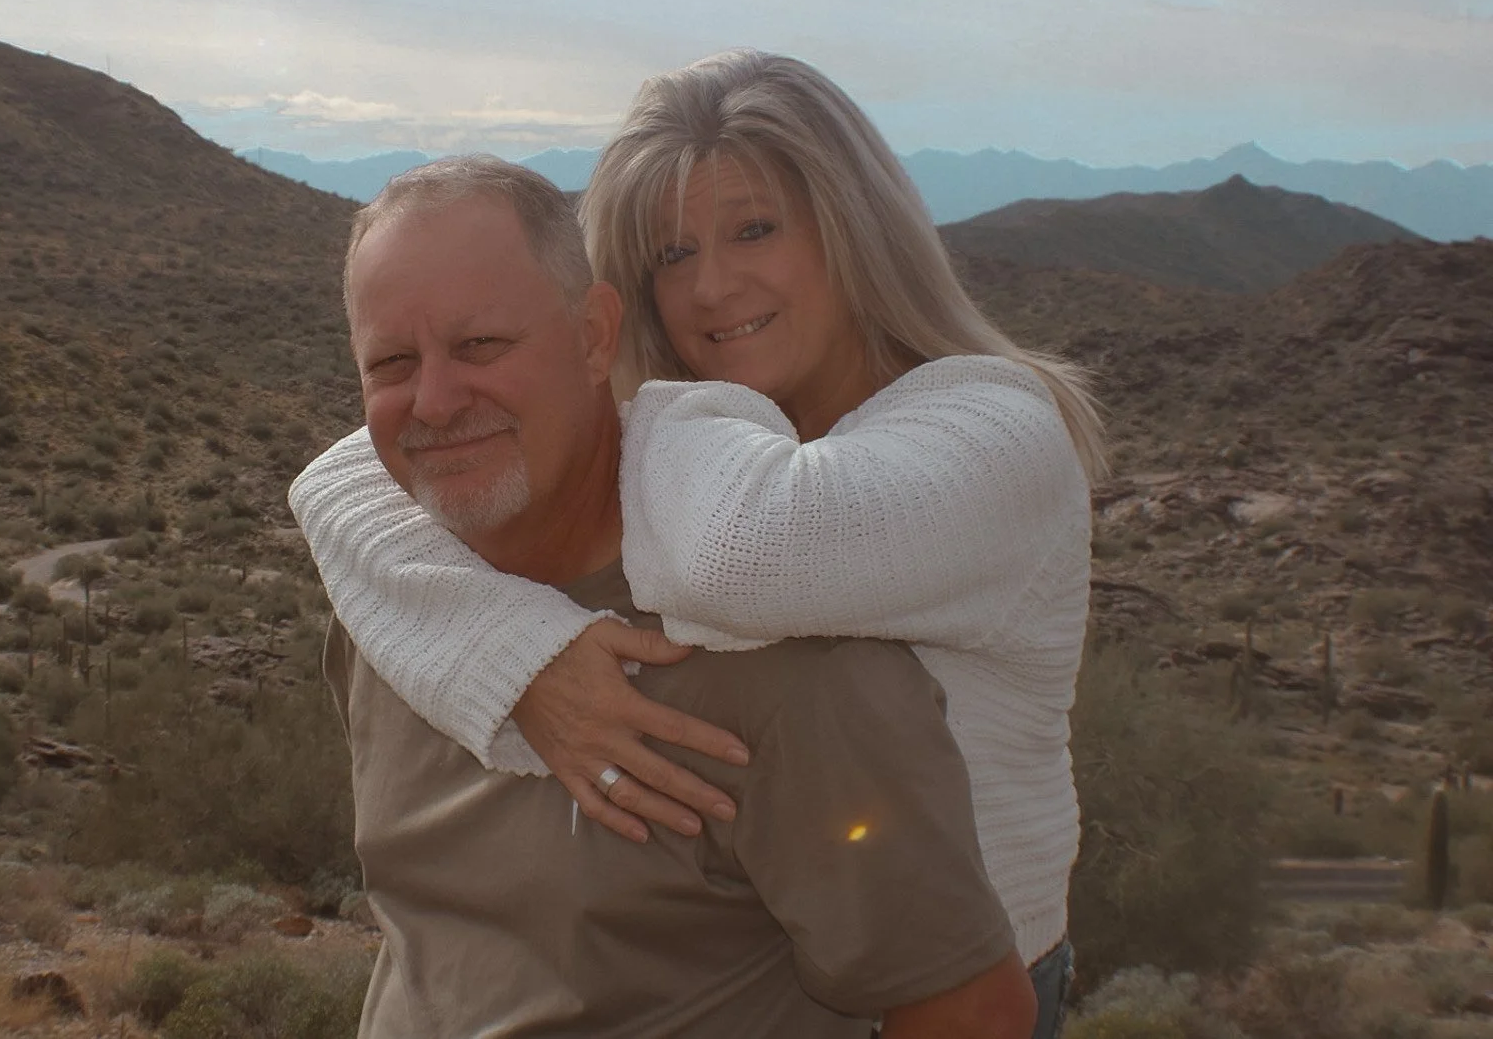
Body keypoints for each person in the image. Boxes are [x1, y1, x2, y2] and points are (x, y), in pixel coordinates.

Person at [292, 52, 1103, 1038]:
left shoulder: (990, 434)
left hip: (966, 978)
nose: (711, 287)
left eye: (755, 229)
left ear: (854, 226)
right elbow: (342, 481)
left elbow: (741, 556)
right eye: (670, 255)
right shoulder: (700, 463)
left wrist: (651, 409)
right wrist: (520, 660)